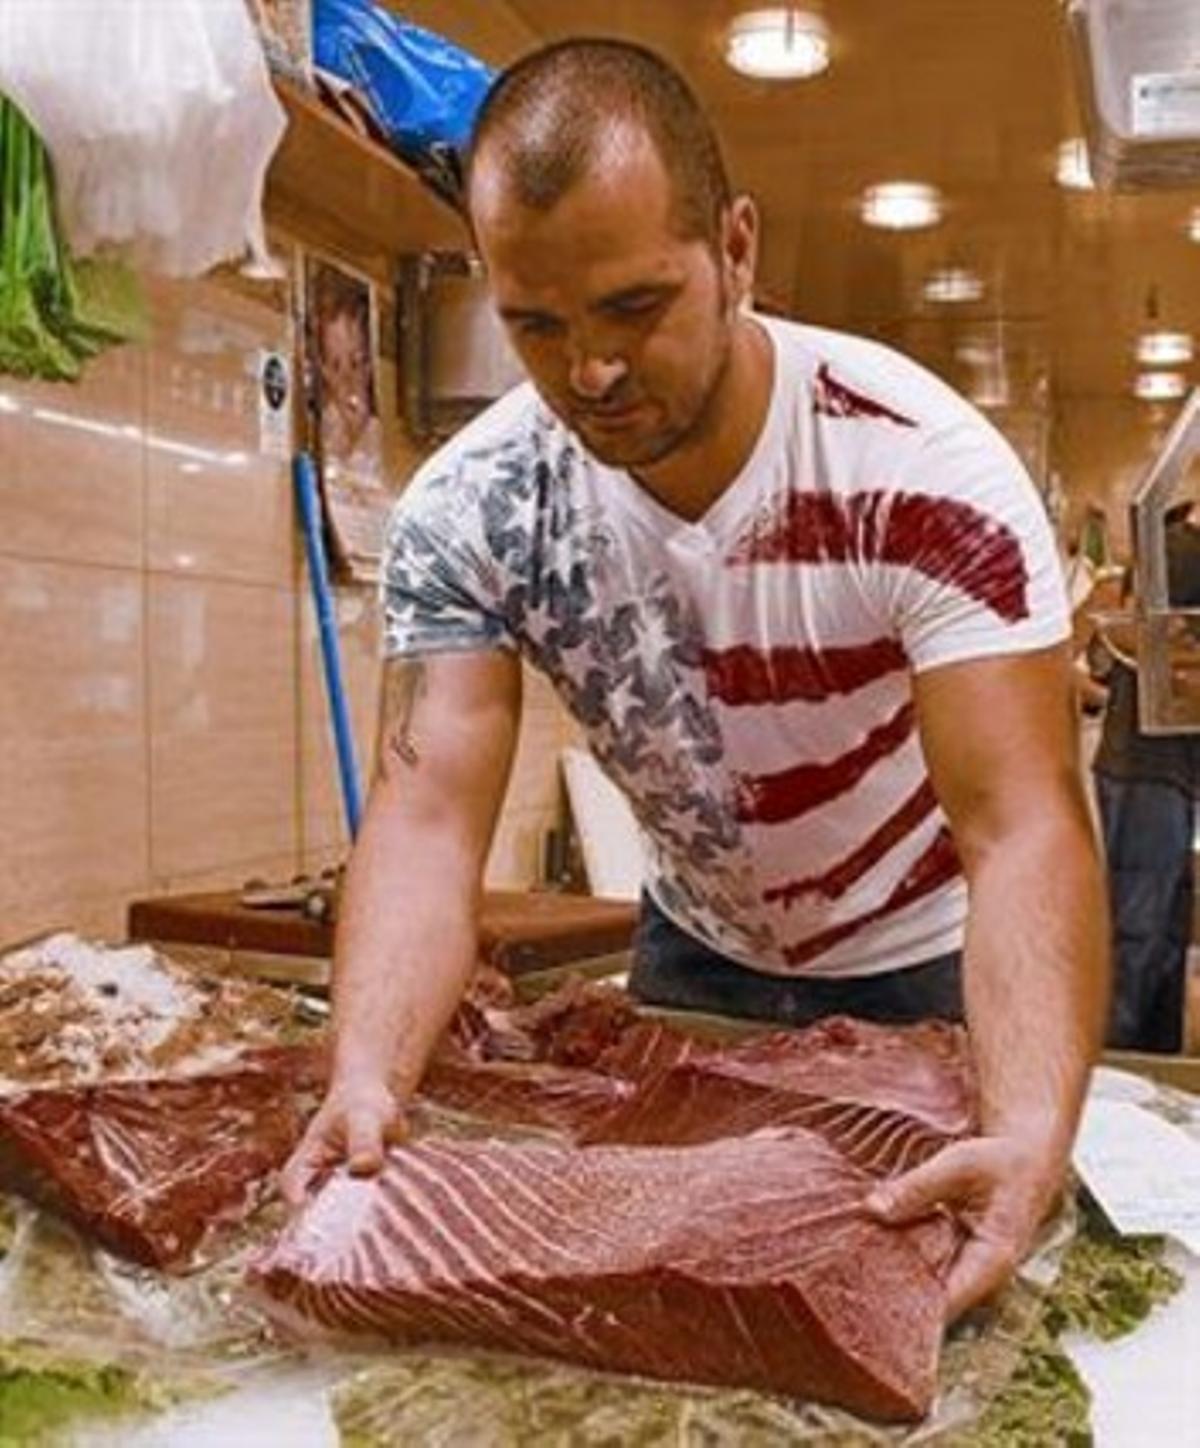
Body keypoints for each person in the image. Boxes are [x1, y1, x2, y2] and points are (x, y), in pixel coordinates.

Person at [282, 38, 1109, 1325]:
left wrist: (1031, 1123)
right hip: (696, 957)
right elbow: (428, 808)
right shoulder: (472, 505)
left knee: (941, 1325)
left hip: (932, 967)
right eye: (538, 325)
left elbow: (1023, 826)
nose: (591, 373)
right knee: (669, 1315)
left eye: (633, 307)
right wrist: (370, 1072)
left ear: (735, 247)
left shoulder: (924, 470)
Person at [1091, 502, 1200, 1052]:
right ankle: (1111, 1078)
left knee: (1164, 939)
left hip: (1173, 774)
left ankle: (1150, 1070)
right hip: (1147, 771)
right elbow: (1144, 643)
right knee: (1133, 939)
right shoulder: (1177, 550)